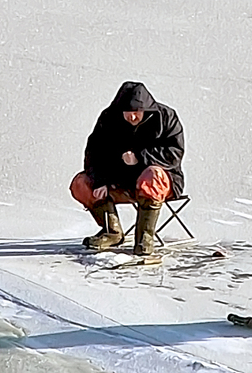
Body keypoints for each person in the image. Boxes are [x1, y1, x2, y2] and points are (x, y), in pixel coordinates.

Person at [72, 79, 185, 260]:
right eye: (128, 112)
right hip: (120, 181)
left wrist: (140, 157)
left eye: (137, 112)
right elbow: (94, 154)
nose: (133, 117)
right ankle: (112, 232)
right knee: (80, 183)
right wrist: (100, 180)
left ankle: (144, 239)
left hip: (161, 184)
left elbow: (174, 153)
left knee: (152, 176)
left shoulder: (166, 117)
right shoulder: (108, 119)